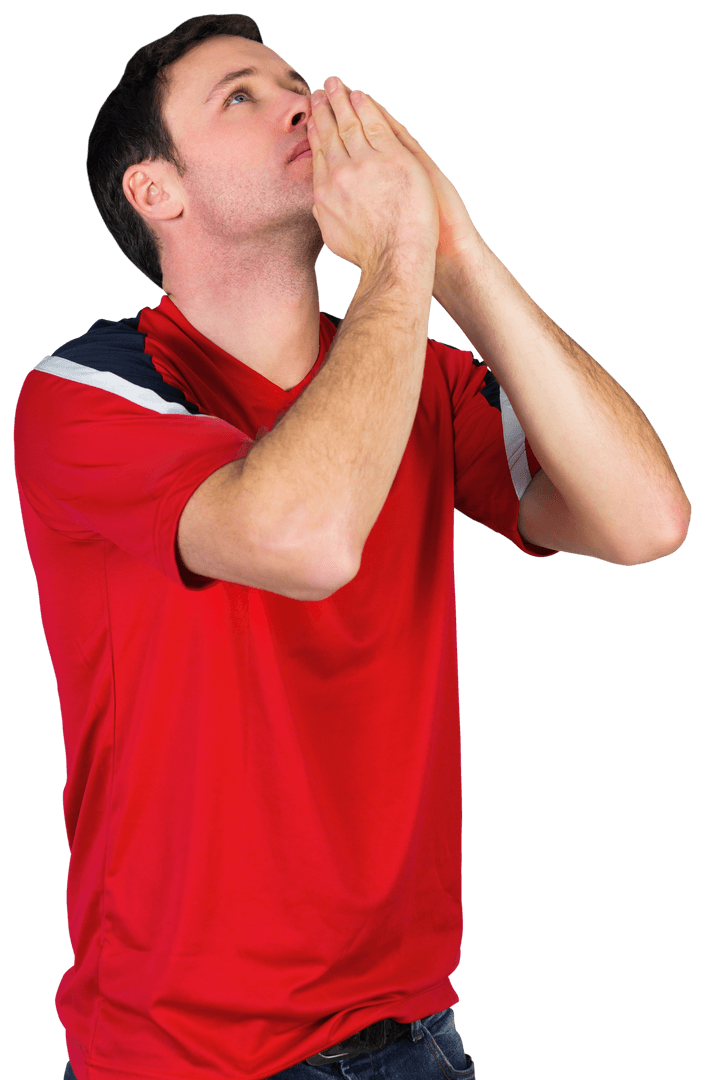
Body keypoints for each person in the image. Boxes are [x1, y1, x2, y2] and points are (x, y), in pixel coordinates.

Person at [14, 12, 690, 1080]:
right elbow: (306, 535)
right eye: (241, 94)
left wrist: (455, 254)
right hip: (182, 1055)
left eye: (295, 78)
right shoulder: (90, 390)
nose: (307, 99)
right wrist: (399, 261)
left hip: (416, 1039)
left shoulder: (411, 374)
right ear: (159, 191)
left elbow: (646, 518)